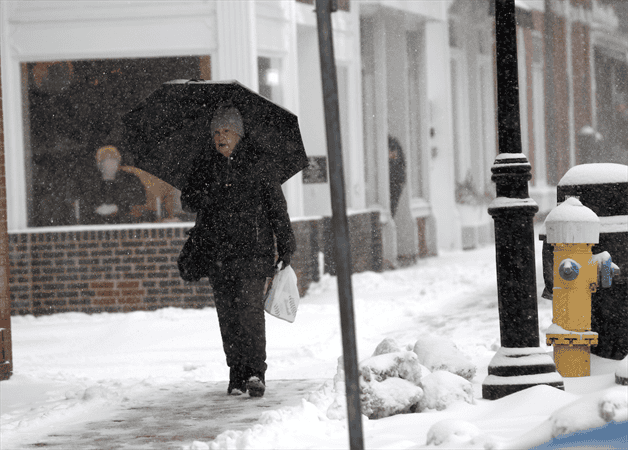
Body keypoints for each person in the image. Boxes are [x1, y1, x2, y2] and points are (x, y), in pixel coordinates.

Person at [180, 105, 296, 398]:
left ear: (239, 134)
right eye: (216, 132)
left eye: (226, 131)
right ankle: (236, 372)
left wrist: (286, 245)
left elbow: (276, 207)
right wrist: (204, 193)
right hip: (217, 252)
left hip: (252, 250)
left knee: (249, 313)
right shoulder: (205, 164)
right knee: (228, 316)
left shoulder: (259, 163)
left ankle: (256, 371)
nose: (220, 137)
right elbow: (188, 200)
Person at [79, 145, 146, 224]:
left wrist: (118, 208)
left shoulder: (130, 180)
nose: (111, 164)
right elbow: (83, 205)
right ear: (100, 164)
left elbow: (139, 200)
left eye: (114, 160)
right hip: (97, 226)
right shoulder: (90, 183)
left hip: (125, 225)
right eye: (107, 161)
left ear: (118, 162)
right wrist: (96, 210)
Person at [388, 135, 407, 217]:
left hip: (395, 180)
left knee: (392, 207)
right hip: (396, 180)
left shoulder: (391, 142)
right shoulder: (393, 142)